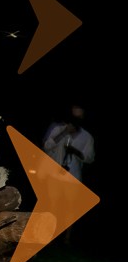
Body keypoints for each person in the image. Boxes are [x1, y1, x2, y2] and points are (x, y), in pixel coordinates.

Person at [41, 104, 95, 244]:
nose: (76, 119)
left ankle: (66, 239)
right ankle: (48, 234)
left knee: (70, 208)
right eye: (73, 116)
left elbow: (90, 158)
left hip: (73, 176)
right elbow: (47, 146)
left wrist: (76, 151)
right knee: (51, 205)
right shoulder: (58, 129)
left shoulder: (87, 137)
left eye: (79, 117)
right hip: (54, 174)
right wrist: (64, 133)